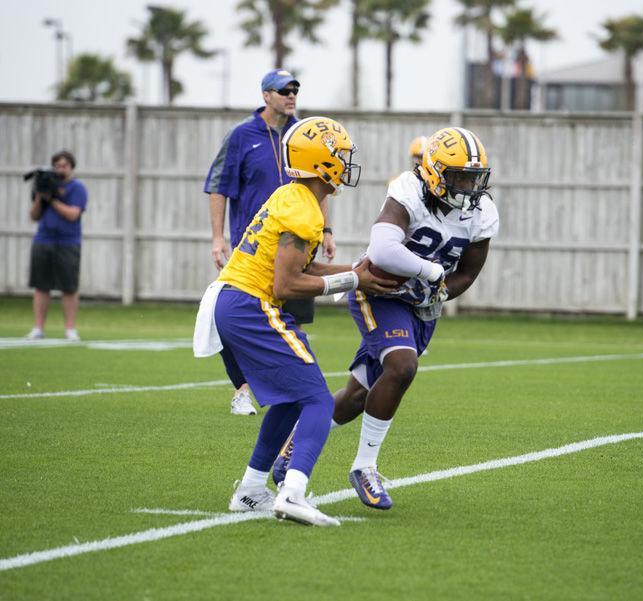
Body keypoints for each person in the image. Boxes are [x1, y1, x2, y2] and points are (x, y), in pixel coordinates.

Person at [272, 126, 500, 511]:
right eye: (459, 176)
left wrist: (439, 292)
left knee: (359, 394)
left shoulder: (482, 213)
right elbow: (383, 251)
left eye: (473, 178)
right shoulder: (407, 190)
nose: (467, 187)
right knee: (401, 366)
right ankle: (365, 467)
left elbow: (468, 273)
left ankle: (294, 441)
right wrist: (429, 275)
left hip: (421, 306)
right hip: (380, 291)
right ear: (433, 172)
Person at [193, 116, 395, 527]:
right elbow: (286, 284)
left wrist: (356, 270)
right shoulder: (304, 209)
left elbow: (303, 265)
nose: (345, 161)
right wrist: (354, 279)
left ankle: (251, 491)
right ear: (321, 162)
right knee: (318, 400)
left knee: (288, 401)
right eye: (339, 155)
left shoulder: (294, 196)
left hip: (235, 301)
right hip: (253, 304)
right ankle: (293, 492)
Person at [204, 68, 336, 416]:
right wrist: (218, 237)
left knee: (295, 313)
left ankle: (292, 385)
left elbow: (321, 182)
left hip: (298, 238)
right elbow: (219, 185)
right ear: (265, 95)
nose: (291, 95)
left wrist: (327, 230)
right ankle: (243, 389)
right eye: (283, 90)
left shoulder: (302, 133)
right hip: (255, 248)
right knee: (235, 316)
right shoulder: (241, 135)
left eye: (295, 89)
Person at [25, 150, 88, 342]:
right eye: (57, 165)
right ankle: (38, 328)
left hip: (68, 242)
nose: (60, 169)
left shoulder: (77, 188)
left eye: (64, 165)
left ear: (71, 167)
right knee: (41, 285)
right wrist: (40, 197)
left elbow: (72, 215)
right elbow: (34, 216)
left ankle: (70, 329)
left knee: (68, 287)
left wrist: (52, 199)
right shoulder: (44, 185)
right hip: (43, 240)